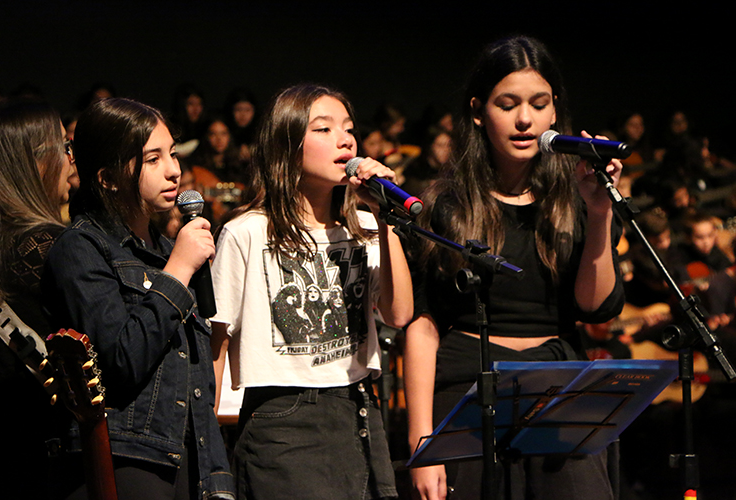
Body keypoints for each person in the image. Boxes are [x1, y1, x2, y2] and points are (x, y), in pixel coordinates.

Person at [403, 36, 625, 500]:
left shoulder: (579, 199)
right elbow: (423, 324)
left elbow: (595, 307)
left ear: (554, 111)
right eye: (508, 105)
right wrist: (422, 441)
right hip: (467, 391)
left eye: (539, 104)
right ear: (478, 111)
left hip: (558, 391)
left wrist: (600, 212)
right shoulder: (446, 205)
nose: (525, 119)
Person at [209, 83, 413, 499]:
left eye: (349, 129)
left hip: (359, 409)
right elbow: (216, 342)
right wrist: (208, 455)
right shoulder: (247, 232)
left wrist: (385, 217)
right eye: (324, 129)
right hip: (283, 420)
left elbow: (399, 313)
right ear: (286, 146)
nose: (345, 140)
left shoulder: (366, 228)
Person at [42, 97, 235, 499]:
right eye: (152, 159)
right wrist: (178, 272)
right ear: (108, 178)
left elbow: (196, 380)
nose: (173, 170)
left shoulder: (166, 251)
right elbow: (118, 362)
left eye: (172, 153)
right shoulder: (81, 248)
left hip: (191, 461)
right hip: (129, 461)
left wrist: (216, 475)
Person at [0, 98, 75, 498]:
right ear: (37, 163)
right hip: (41, 452)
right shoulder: (53, 247)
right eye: (64, 146)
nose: (71, 160)